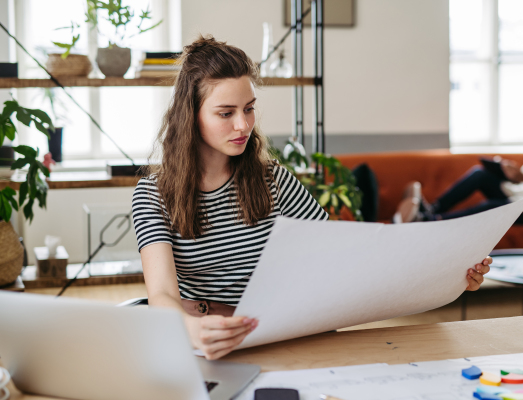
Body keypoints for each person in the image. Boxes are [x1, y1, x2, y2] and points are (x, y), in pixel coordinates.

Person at [132, 35, 492, 360]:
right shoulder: (153, 195)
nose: (243, 125)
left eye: (249, 108)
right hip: (206, 340)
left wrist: (449, 272)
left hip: (287, 331)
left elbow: (339, 258)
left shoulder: (273, 179)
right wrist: (193, 331)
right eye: (226, 113)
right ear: (190, 116)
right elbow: (161, 295)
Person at [395, 98, 523, 227]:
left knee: (492, 206)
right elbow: (522, 183)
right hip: (520, 198)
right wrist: (508, 173)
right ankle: (432, 210)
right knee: (480, 174)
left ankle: (431, 222)